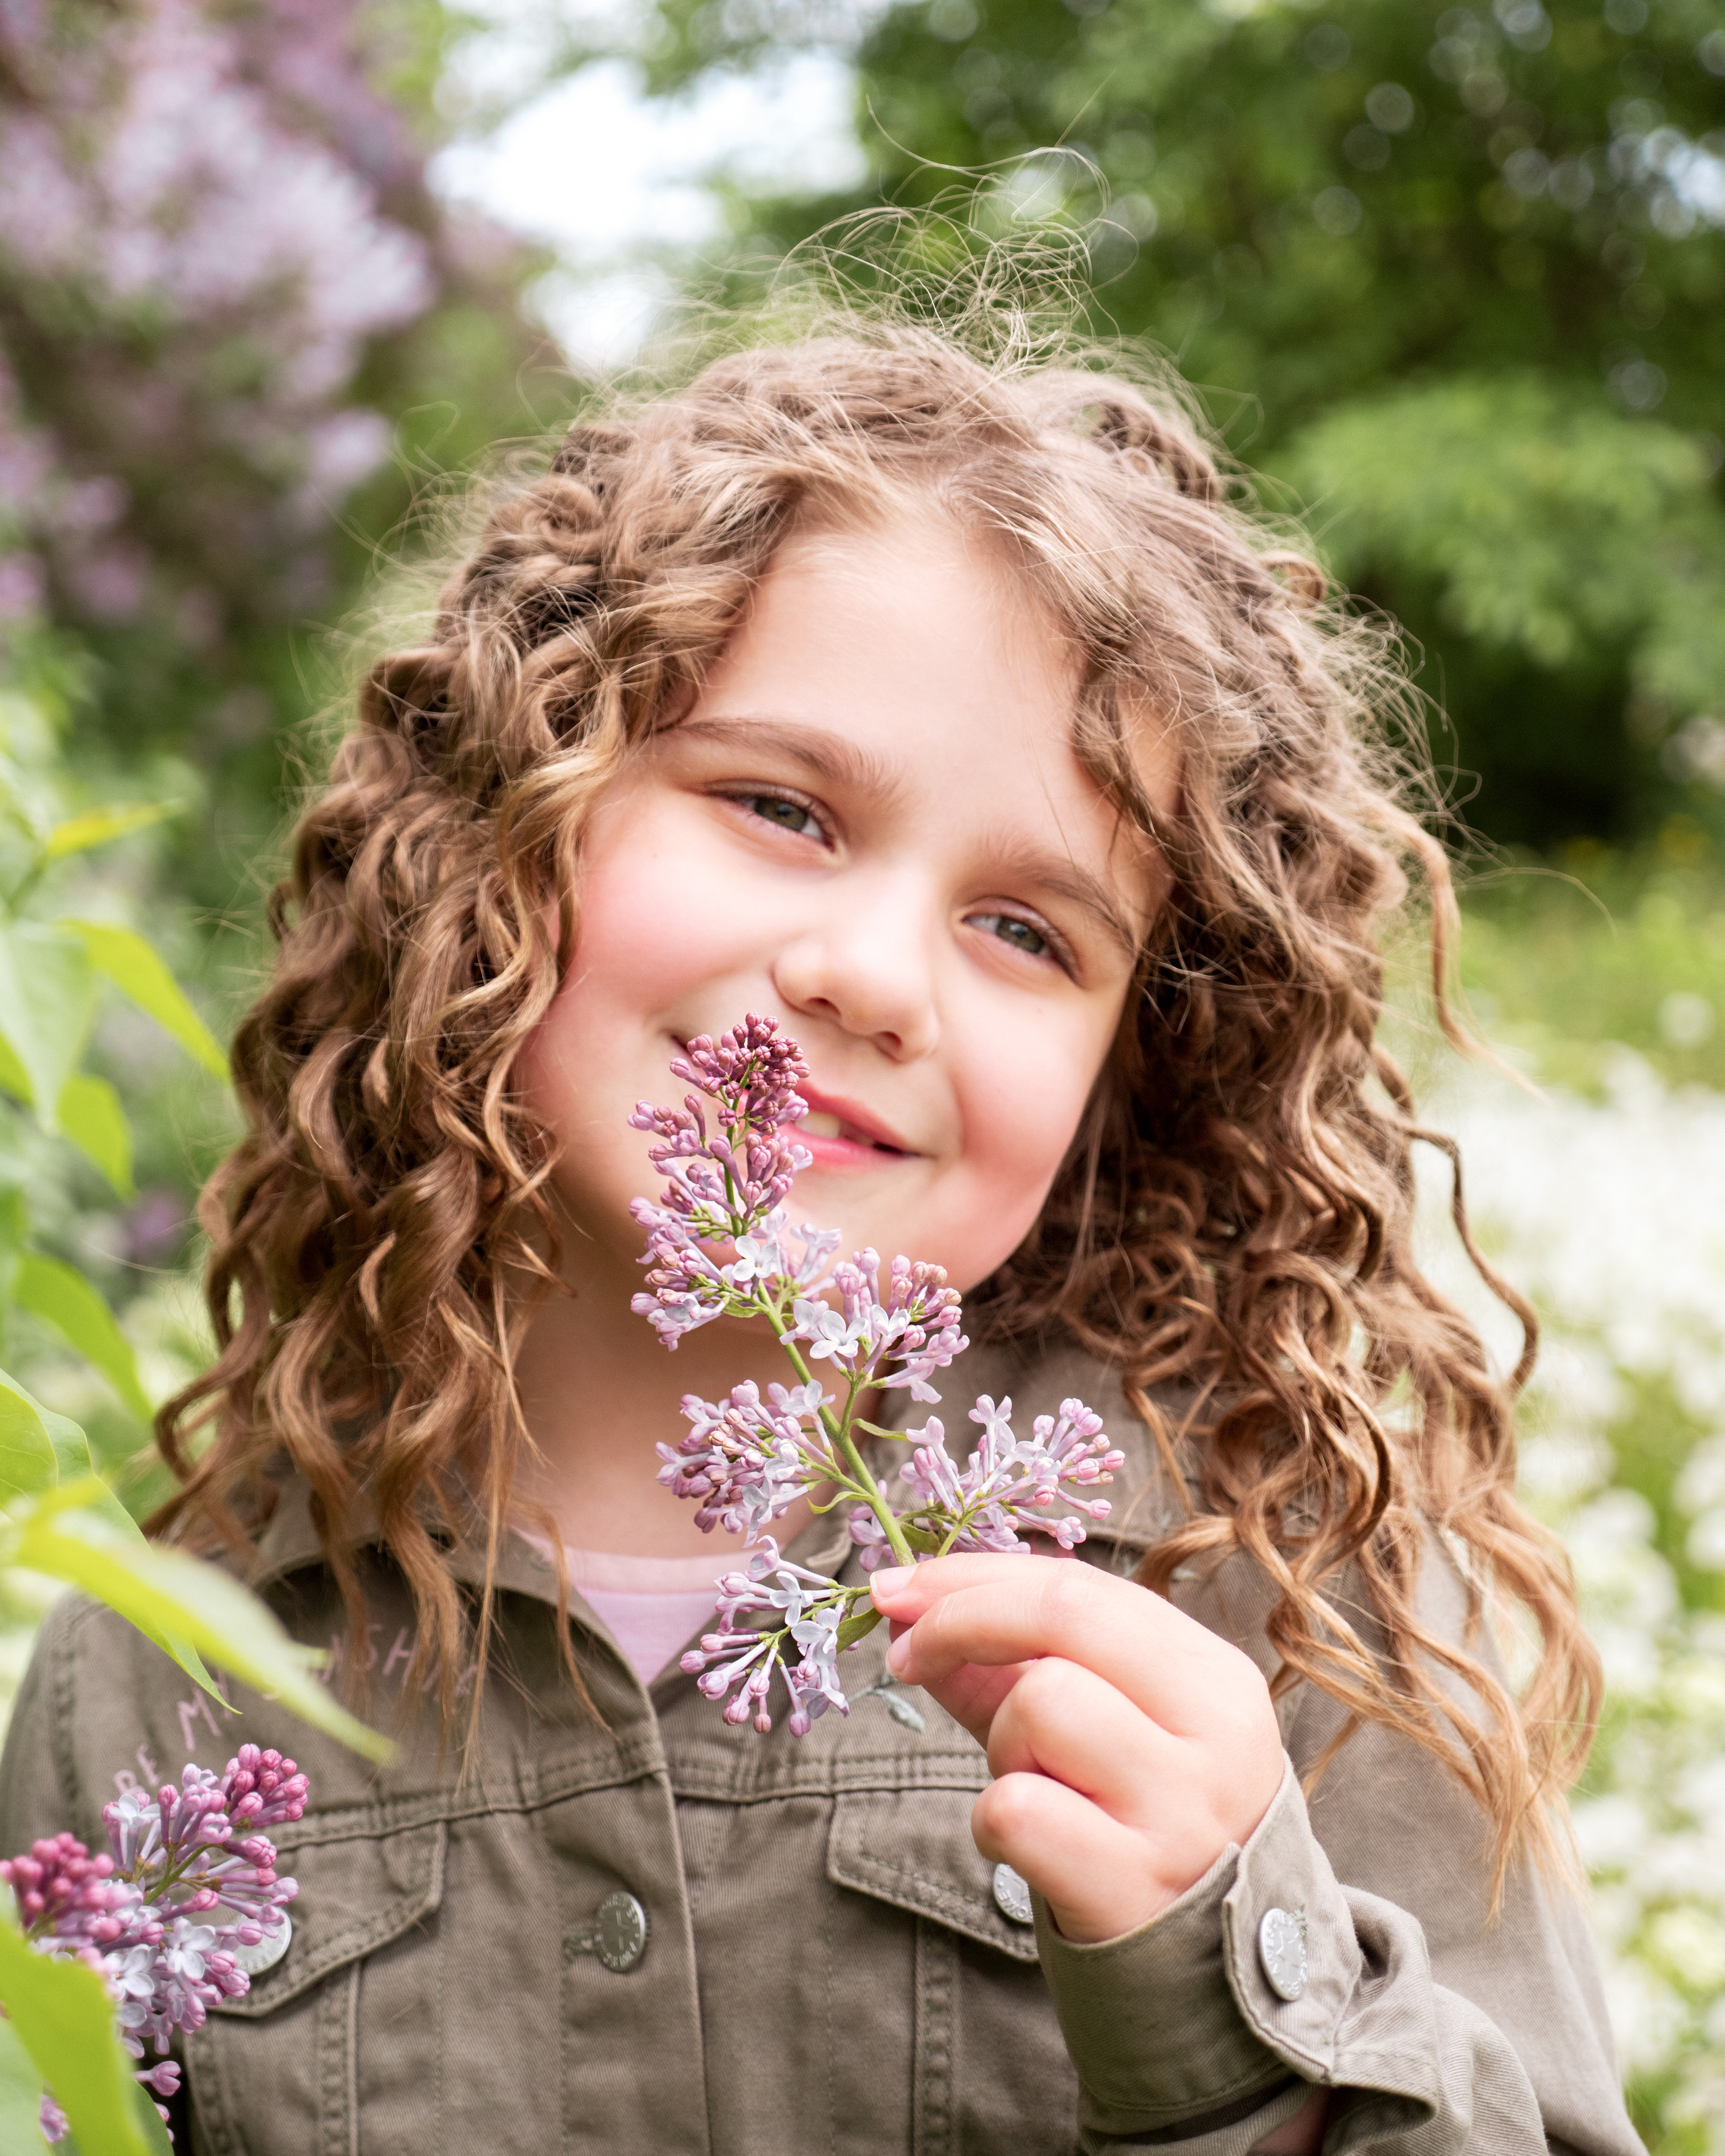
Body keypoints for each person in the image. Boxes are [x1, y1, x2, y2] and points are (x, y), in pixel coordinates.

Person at [0, 311, 1643, 2155]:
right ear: (502, 840)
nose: (872, 977)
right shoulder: (170, 1662)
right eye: (780, 808)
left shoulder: (1269, 1580)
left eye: (1031, 932)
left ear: (1128, 1072)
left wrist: (1230, 2017)